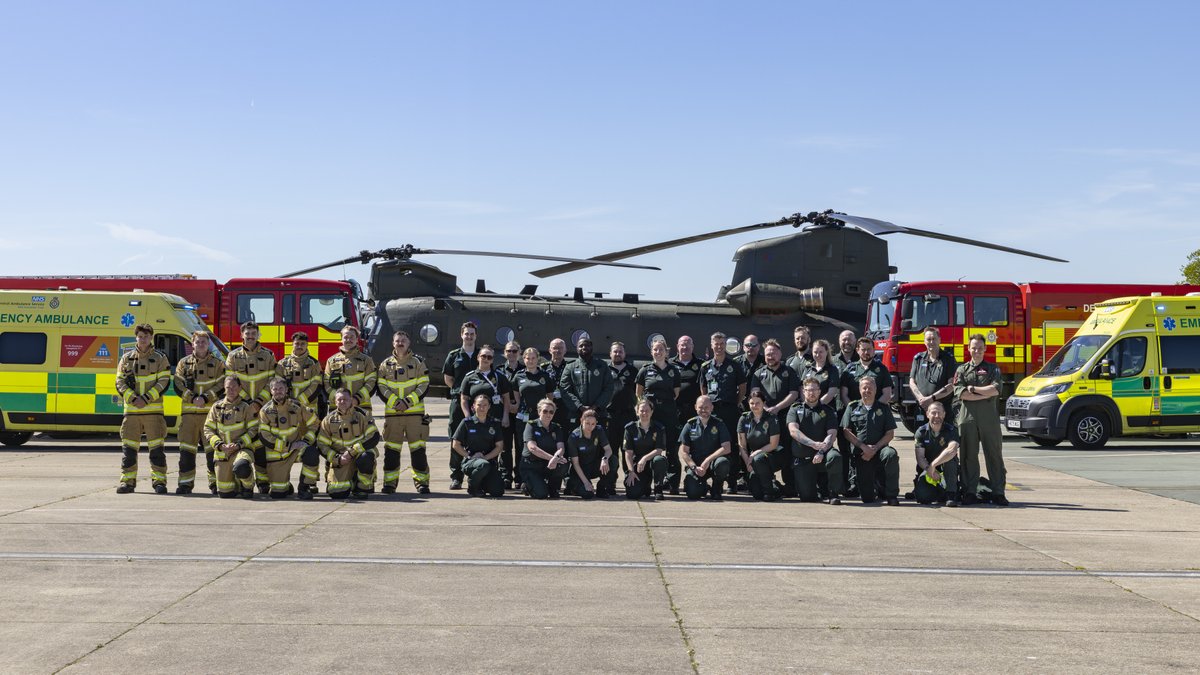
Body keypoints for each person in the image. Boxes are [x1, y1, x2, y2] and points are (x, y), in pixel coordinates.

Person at [114, 323, 172, 494]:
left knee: (157, 450)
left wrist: (145, 399)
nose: (143, 339)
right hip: (132, 413)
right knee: (129, 450)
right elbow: (119, 382)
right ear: (136, 337)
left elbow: (163, 382)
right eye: (140, 336)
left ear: (151, 337)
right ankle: (127, 482)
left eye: (146, 336)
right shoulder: (126, 358)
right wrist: (133, 398)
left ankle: (159, 482)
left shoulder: (161, 358)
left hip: (153, 412)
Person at [954, 333, 1008, 506]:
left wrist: (974, 389)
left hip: (989, 420)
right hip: (967, 418)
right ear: (968, 349)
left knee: (994, 455)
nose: (976, 351)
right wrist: (983, 394)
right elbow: (961, 393)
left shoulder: (993, 369)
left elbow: (995, 390)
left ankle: (998, 492)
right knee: (968, 455)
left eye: (980, 348)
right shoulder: (961, 370)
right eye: (973, 347)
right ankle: (969, 491)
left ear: (985, 349)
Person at [376, 330, 431, 494]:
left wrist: (407, 402)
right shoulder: (385, 365)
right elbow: (381, 387)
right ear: (393, 343)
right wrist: (394, 403)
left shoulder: (418, 363)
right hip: (393, 416)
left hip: (415, 416)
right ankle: (390, 483)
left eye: (403, 340)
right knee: (391, 451)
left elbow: (424, 385)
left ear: (409, 343)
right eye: (397, 341)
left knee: (418, 451)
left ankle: (422, 483)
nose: (400, 343)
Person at [225, 321, 277, 493]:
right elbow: (230, 383)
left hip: (263, 409)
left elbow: (272, 382)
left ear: (258, 335)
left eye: (253, 333)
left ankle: (263, 482)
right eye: (247, 333)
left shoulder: (268, 355)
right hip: (242, 409)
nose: (250, 336)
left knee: (262, 446)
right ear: (242, 335)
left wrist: (258, 402)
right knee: (244, 442)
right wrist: (248, 403)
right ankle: (245, 479)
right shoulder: (233, 357)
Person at [173, 330, 225, 494]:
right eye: (198, 342)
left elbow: (222, 384)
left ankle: (215, 484)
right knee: (186, 453)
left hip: (210, 416)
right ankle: (185, 484)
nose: (201, 344)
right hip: (189, 416)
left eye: (204, 342)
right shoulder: (183, 363)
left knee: (212, 454)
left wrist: (205, 398)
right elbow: (178, 385)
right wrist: (193, 398)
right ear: (192, 344)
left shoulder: (217, 363)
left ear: (208, 344)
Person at [750, 340, 800, 495]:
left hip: (786, 417)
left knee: (787, 452)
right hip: (765, 419)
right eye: (767, 354)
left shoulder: (789, 371)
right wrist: (766, 409)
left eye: (773, 353)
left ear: (780, 353)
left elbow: (794, 394)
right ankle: (769, 482)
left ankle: (790, 486)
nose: (770, 356)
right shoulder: (759, 373)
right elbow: (755, 394)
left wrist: (777, 408)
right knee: (766, 450)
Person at [842, 375, 901, 505]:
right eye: (864, 388)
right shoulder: (852, 407)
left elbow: (890, 433)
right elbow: (846, 431)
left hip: (879, 451)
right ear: (859, 389)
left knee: (891, 454)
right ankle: (874, 486)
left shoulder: (884, 408)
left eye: (870, 387)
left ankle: (892, 495)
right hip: (861, 454)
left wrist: (875, 448)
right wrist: (864, 447)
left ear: (875, 389)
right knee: (867, 498)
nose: (867, 390)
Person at [258, 376, 320, 499]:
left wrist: (306, 441)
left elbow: (314, 423)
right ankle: (286, 486)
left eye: (281, 388)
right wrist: (288, 446)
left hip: (296, 450)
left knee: (311, 453)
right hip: (277, 454)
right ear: (271, 391)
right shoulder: (265, 411)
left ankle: (304, 487)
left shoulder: (297, 406)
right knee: (278, 494)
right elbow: (264, 436)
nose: (278, 391)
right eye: (275, 389)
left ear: (286, 389)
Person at [701, 332, 746, 491]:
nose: (719, 347)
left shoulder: (734, 366)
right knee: (712, 445)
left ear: (725, 345)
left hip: (729, 411)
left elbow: (742, 388)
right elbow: (704, 390)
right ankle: (714, 481)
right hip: (712, 412)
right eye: (716, 344)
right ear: (711, 345)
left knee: (732, 446)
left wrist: (736, 403)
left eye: (722, 344)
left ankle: (732, 482)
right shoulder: (705, 367)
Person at [636, 338, 682, 494]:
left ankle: (673, 483)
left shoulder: (673, 370)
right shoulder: (645, 370)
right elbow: (639, 393)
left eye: (661, 349)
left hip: (668, 413)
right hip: (651, 415)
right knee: (650, 447)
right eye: (655, 349)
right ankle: (648, 481)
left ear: (666, 352)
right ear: (651, 352)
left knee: (671, 449)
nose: (658, 352)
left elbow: (676, 393)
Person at [317, 388, 381, 500]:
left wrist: (352, 452)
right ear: (335, 401)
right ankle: (351, 480)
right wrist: (337, 458)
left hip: (358, 455)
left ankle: (361, 487)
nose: (342, 402)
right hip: (341, 459)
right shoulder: (328, 420)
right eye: (339, 399)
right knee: (337, 494)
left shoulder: (363, 415)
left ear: (351, 400)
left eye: (345, 399)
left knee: (367, 457)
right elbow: (322, 445)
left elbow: (374, 437)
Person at [787, 377, 841, 503]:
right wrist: (813, 444)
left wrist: (821, 451)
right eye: (808, 390)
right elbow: (793, 431)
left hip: (823, 454)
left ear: (819, 391)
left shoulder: (828, 411)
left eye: (814, 390)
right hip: (803, 458)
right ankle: (816, 489)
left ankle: (833, 493)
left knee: (835, 457)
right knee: (807, 497)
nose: (811, 393)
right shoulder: (795, 409)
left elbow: (832, 434)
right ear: (803, 392)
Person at [203, 376, 258, 499]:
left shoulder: (246, 407)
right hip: (223, 453)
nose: (231, 390)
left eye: (234, 387)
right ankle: (237, 485)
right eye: (228, 387)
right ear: (224, 388)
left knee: (241, 467)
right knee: (224, 493)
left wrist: (238, 444)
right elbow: (208, 429)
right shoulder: (216, 407)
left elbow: (253, 430)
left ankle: (248, 486)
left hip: (241, 450)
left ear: (240, 388)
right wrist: (220, 445)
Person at [458, 346, 514, 465]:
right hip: (478, 420)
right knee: (479, 446)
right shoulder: (470, 377)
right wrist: (468, 416)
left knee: (503, 448)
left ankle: (505, 476)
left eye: (489, 357)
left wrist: (505, 416)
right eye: (483, 356)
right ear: (478, 357)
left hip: (496, 418)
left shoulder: (499, 377)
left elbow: (506, 398)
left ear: (492, 360)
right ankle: (476, 468)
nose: (486, 359)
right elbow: (464, 399)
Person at [443, 321, 480, 487]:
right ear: (462, 335)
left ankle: (477, 473)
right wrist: (461, 392)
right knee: (456, 437)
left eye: (472, 333)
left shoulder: (482, 355)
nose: (469, 336)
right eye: (467, 333)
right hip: (458, 402)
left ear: (476, 336)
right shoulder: (454, 355)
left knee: (479, 437)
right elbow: (448, 378)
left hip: (479, 403)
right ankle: (456, 476)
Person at [678, 395, 732, 500]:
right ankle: (703, 487)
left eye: (706, 407)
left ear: (712, 407)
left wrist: (708, 460)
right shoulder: (690, 425)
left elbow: (727, 448)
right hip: (696, 465)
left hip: (713, 463)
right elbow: (684, 451)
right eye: (701, 407)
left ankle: (717, 487)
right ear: (695, 407)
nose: (703, 410)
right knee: (693, 494)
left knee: (723, 463)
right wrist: (694, 467)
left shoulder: (719, 423)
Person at [451, 393, 505, 498]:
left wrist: (485, 458)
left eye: (485, 405)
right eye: (479, 405)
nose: (482, 408)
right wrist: (469, 456)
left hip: (488, 461)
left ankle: (481, 484)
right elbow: (456, 444)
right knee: (483, 465)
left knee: (497, 491)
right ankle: (473, 486)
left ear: (489, 406)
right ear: (473, 406)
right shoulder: (467, 423)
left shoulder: (494, 423)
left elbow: (499, 446)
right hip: (471, 460)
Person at [559, 337, 614, 427]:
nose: (584, 347)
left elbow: (609, 387)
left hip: (598, 414)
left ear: (591, 347)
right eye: (581, 346)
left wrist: (595, 407)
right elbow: (565, 389)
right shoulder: (570, 367)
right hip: (576, 414)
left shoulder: (602, 365)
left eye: (587, 345)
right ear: (577, 349)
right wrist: (580, 407)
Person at [913, 401, 960, 507]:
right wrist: (929, 469)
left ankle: (951, 495)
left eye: (939, 413)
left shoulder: (951, 430)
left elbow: (951, 450)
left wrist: (933, 465)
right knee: (922, 497)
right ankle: (939, 493)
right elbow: (920, 457)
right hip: (927, 469)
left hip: (946, 469)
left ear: (944, 414)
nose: (936, 416)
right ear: (927, 414)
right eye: (933, 413)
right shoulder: (921, 432)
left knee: (950, 461)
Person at [521, 398, 570, 499]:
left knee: (563, 463)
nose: (548, 414)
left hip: (547, 464)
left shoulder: (556, 427)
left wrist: (556, 458)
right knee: (541, 495)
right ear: (539, 411)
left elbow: (561, 448)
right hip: (531, 465)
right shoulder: (531, 425)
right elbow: (532, 448)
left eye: (551, 412)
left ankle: (553, 489)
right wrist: (552, 458)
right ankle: (527, 486)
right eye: (545, 411)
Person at [738, 389, 781, 501]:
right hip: (753, 459)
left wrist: (755, 454)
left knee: (759, 458)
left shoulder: (772, 418)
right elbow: (742, 445)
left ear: (763, 403)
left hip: (772, 455)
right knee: (756, 493)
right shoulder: (744, 418)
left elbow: (773, 444)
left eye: (758, 403)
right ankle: (774, 486)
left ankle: (769, 492)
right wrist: (748, 461)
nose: (755, 406)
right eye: (752, 403)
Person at [909, 326, 957, 424]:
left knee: (944, 437)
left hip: (941, 410)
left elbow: (951, 385)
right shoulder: (918, 358)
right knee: (921, 436)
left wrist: (931, 398)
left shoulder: (948, 359)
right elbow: (912, 381)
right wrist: (921, 399)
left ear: (939, 340)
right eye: (928, 339)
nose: (931, 342)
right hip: (922, 408)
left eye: (934, 339)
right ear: (924, 341)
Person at [324, 325, 376, 414]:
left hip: (361, 406)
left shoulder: (366, 360)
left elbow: (371, 382)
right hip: (338, 408)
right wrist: (338, 399)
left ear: (357, 339)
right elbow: (326, 383)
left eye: (352, 337)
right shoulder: (331, 361)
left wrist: (357, 399)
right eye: (346, 337)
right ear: (341, 339)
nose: (349, 340)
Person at [566, 407, 616, 499]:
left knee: (613, 460)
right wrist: (586, 483)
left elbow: (608, 450)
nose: (590, 426)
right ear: (581, 421)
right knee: (587, 494)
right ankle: (571, 484)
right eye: (587, 423)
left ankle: (601, 488)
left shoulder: (599, 430)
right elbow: (575, 463)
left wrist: (605, 459)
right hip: (580, 469)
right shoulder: (574, 437)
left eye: (593, 424)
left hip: (594, 466)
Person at [623, 399, 668, 501]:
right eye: (642, 410)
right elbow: (628, 453)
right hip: (637, 465)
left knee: (660, 460)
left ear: (652, 412)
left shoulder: (659, 428)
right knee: (632, 494)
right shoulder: (630, 428)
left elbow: (659, 449)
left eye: (647, 410)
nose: (644, 413)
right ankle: (645, 486)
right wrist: (631, 472)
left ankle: (658, 488)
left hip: (652, 461)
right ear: (637, 412)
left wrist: (645, 458)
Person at [607, 341, 639, 475]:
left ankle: (629, 477)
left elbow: (639, 392)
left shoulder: (633, 371)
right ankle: (610, 481)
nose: (617, 354)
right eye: (615, 351)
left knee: (628, 449)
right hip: (610, 415)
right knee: (612, 450)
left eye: (620, 351)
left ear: (625, 354)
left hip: (628, 415)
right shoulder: (605, 370)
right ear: (610, 354)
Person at [276, 332, 324, 418]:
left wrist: (300, 401)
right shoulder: (282, 363)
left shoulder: (314, 363)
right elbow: (277, 385)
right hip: (288, 406)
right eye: (297, 343)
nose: (299, 346)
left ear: (307, 345)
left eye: (302, 344)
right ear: (292, 344)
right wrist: (287, 402)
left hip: (308, 407)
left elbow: (317, 385)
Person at [497, 340, 524, 488]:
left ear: (519, 353)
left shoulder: (525, 369)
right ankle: (505, 476)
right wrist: (508, 407)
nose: (511, 354)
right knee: (505, 446)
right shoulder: (499, 370)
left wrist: (517, 406)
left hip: (521, 413)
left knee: (520, 446)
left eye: (514, 351)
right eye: (509, 351)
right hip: (505, 412)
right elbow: (497, 391)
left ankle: (519, 476)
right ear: (504, 353)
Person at [840, 337, 893, 407]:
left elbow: (887, 395)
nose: (866, 352)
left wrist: (872, 409)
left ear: (874, 350)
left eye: (869, 349)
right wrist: (853, 410)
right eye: (863, 349)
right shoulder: (849, 369)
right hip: (855, 413)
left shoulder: (882, 369)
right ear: (857, 350)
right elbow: (844, 395)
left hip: (876, 413)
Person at [671, 335, 704, 430]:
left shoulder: (701, 364)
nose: (685, 347)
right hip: (675, 409)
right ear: (677, 346)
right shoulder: (669, 364)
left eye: (688, 345)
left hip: (694, 410)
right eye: (682, 345)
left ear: (692, 347)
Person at [542, 338, 572, 429]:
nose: (557, 350)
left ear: (565, 350)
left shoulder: (571, 367)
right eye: (555, 348)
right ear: (550, 350)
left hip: (566, 407)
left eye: (560, 348)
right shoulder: (543, 368)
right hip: (549, 407)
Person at [734, 334, 765, 401]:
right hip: (741, 401)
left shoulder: (766, 362)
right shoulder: (736, 363)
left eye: (754, 345)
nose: (751, 348)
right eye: (748, 345)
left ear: (759, 347)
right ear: (743, 347)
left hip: (761, 402)